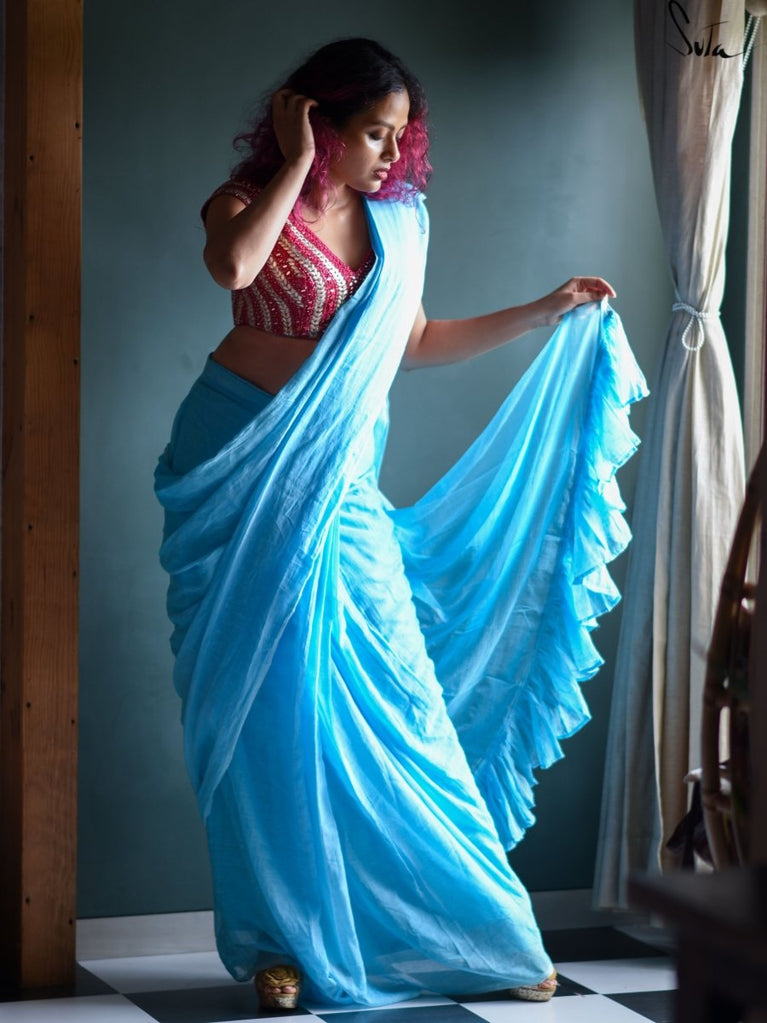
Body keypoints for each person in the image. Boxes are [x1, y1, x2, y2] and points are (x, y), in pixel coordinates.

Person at [155, 37, 646, 1013]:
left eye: (398, 136)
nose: (391, 154)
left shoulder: (399, 223)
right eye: (372, 133)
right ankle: (279, 943)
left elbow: (413, 341)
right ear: (320, 121)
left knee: (401, 704)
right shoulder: (243, 200)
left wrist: (541, 311)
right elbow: (233, 267)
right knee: (265, 716)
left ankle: (483, 932)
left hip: (337, 481)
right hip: (236, 466)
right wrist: (296, 163)